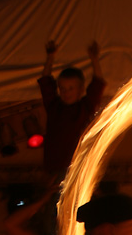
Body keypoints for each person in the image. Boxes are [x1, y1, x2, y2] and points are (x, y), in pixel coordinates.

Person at [38, 40, 106, 184]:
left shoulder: (86, 108)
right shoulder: (54, 106)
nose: (66, 93)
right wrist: (50, 57)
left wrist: (94, 59)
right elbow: (45, 82)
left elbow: (98, 83)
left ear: (81, 89)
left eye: (70, 88)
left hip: (78, 169)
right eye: (62, 88)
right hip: (54, 168)